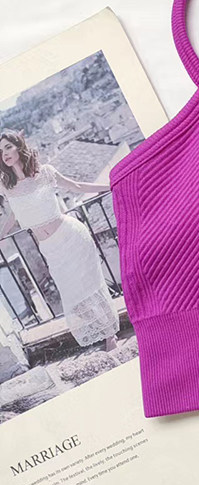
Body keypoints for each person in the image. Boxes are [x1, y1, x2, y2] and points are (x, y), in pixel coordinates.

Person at [0, 129, 120, 351]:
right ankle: (102, 329)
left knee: (91, 285)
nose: (4, 153)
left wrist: (111, 186)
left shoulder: (45, 172)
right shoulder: (7, 186)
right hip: (50, 248)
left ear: (19, 147)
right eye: (0, 151)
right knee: (73, 295)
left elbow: (77, 186)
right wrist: (1, 234)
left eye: (8, 147)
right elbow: (15, 213)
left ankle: (110, 335)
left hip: (72, 237)